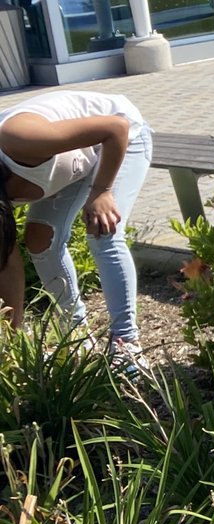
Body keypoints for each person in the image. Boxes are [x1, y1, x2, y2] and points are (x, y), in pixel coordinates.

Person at [0, 90, 152, 374]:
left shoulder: (17, 138)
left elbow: (114, 128)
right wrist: (12, 341)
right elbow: (6, 263)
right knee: (39, 239)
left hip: (119, 138)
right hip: (73, 160)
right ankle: (78, 337)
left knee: (103, 229)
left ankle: (126, 344)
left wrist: (102, 191)